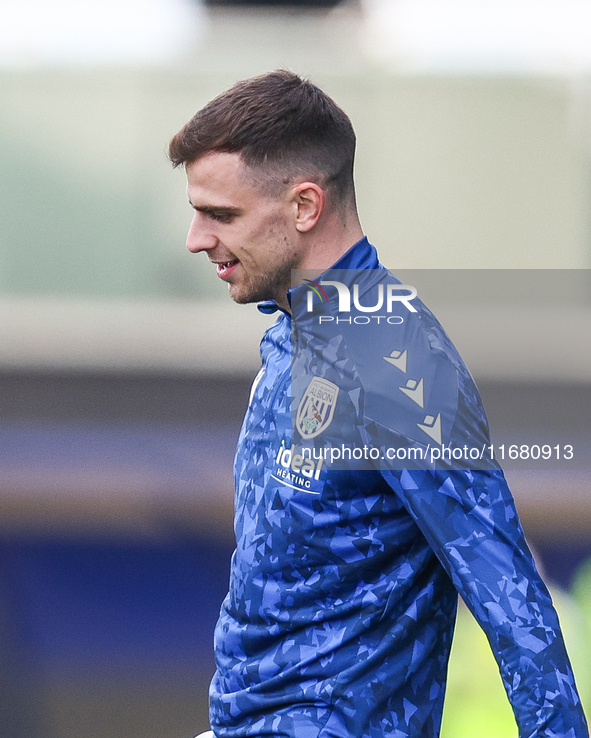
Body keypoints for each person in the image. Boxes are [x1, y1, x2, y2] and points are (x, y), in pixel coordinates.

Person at [169, 70, 588, 738]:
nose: (195, 238)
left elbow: (510, 598)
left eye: (221, 215)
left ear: (304, 207)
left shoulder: (394, 360)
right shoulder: (293, 336)